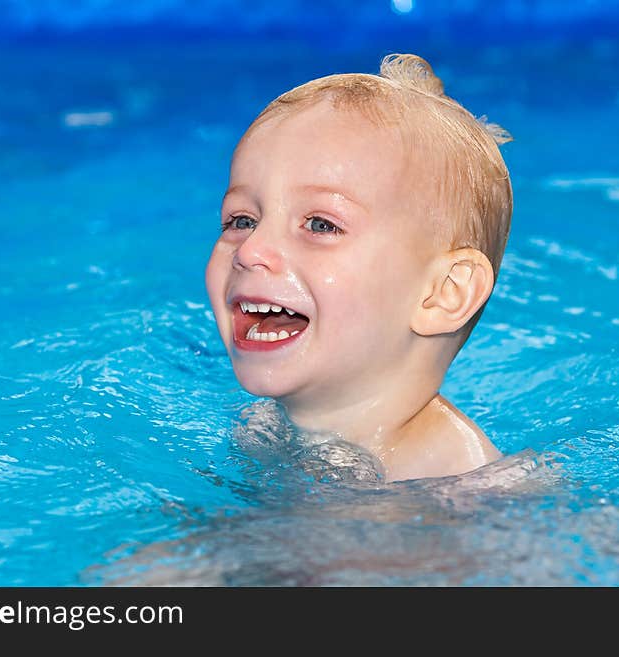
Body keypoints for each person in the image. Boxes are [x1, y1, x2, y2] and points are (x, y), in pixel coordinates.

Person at [205, 53, 513, 482]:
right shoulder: (261, 426)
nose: (251, 249)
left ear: (444, 293)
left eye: (320, 224)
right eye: (242, 221)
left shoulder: (472, 488)